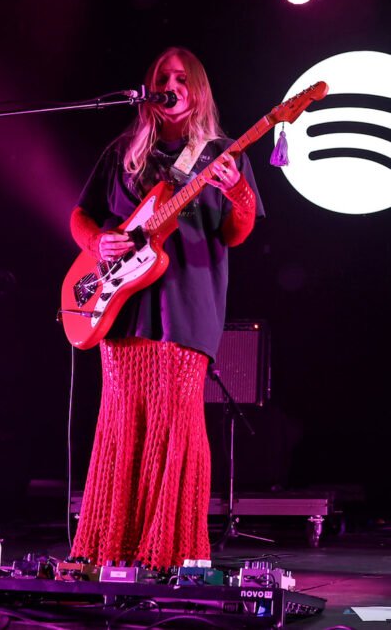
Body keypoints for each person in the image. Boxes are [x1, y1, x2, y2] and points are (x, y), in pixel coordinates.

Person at [69, 47, 260, 570]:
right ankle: (112, 552)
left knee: (177, 424)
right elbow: (81, 215)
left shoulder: (222, 154)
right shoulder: (123, 151)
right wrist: (98, 243)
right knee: (121, 422)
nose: (170, 84)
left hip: (188, 300)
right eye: (161, 77)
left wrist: (238, 191)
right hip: (122, 306)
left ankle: (170, 555)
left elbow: (236, 232)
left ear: (197, 88)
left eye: (180, 77)